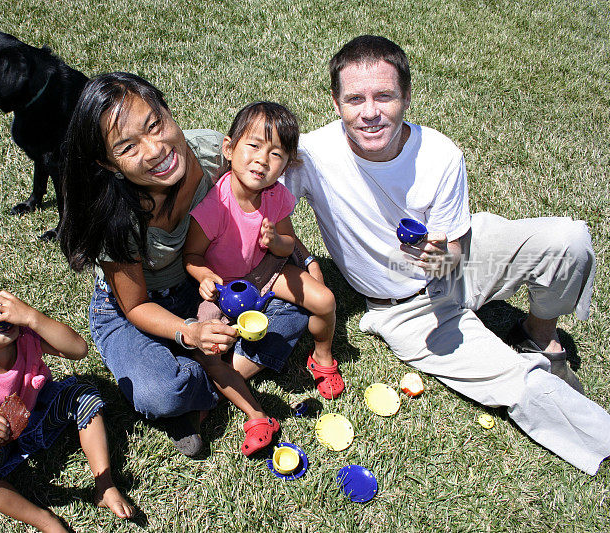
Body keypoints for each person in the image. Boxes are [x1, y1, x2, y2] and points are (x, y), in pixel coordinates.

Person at [284, 35, 610, 474]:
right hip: (406, 309)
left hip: (466, 261)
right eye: (355, 98)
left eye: (385, 96)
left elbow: (455, 252)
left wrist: (440, 258)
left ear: (407, 96)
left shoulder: (440, 154)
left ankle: (538, 330)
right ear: (335, 101)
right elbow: (253, 204)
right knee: (520, 384)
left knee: (569, 240)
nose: (370, 112)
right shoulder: (310, 156)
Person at [59, 73, 310, 457]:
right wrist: (190, 334)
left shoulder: (211, 153)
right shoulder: (115, 218)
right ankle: (208, 377)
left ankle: (206, 391)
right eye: (127, 147)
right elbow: (136, 305)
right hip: (136, 310)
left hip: (204, 286)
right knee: (161, 392)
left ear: (167, 111)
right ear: (108, 164)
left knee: (293, 312)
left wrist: (300, 256)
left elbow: (267, 214)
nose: (155, 149)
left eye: (155, 125)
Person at [0, 269, 134, 532]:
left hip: (36, 416)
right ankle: (45, 521)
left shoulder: (25, 337)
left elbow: (78, 349)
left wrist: (32, 317)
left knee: (84, 393)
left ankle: (105, 484)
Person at [184, 101, 343, 405]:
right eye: (254, 145)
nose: (262, 160)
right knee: (210, 343)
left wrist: (275, 243)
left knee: (325, 300)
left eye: (276, 154)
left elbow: (289, 241)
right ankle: (214, 385)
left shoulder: (276, 195)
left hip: (267, 270)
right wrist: (203, 276)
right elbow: (191, 256)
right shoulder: (214, 206)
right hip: (223, 289)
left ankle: (322, 355)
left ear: (286, 165)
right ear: (229, 148)